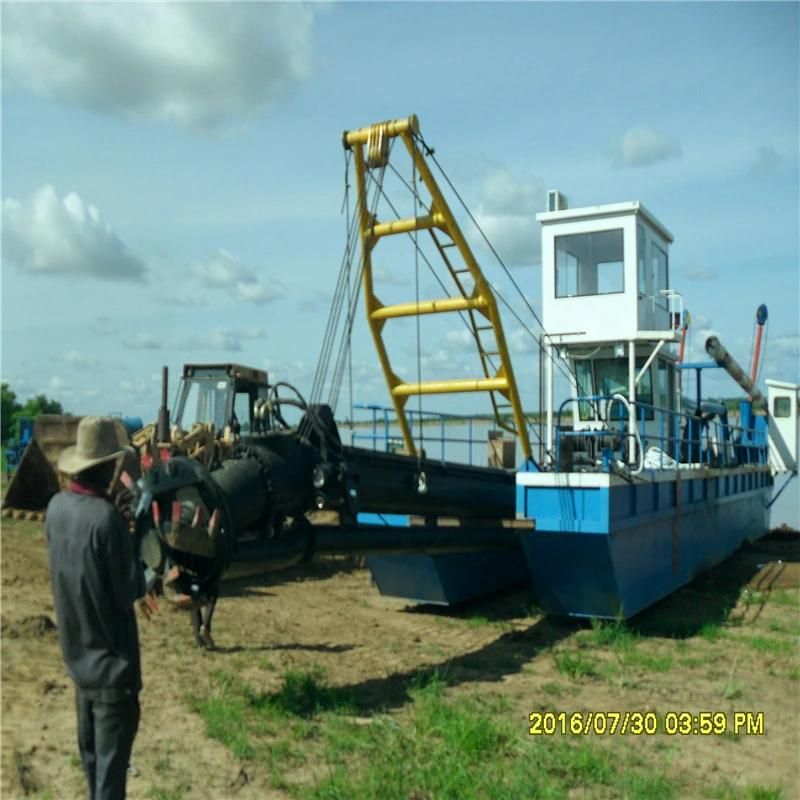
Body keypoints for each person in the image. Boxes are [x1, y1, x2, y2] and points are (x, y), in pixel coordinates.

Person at [46, 416, 156, 800]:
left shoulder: (56, 509)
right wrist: (140, 542)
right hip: (112, 673)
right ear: (109, 465)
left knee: (94, 771)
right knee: (110, 782)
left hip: (79, 665)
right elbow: (129, 589)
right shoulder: (105, 519)